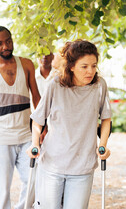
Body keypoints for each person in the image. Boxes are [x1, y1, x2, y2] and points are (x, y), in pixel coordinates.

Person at [27, 40, 111, 208]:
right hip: (53, 164)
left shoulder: (99, 86)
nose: (90, 71)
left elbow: (106, 119)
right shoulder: (56, 85)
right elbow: (38, 120)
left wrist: (103, 145)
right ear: (71, 66)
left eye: (94, 66)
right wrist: (34, 144)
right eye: (84, 66)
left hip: (83, 166)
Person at [0, 26, 41, 209]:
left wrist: (43, 127)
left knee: (33, 180)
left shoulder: (26, 64)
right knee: (2, 190)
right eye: (0, 43)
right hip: (2, 138)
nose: (5, 46)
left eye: (8, 41)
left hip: (26, 135)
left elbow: (37, 98)